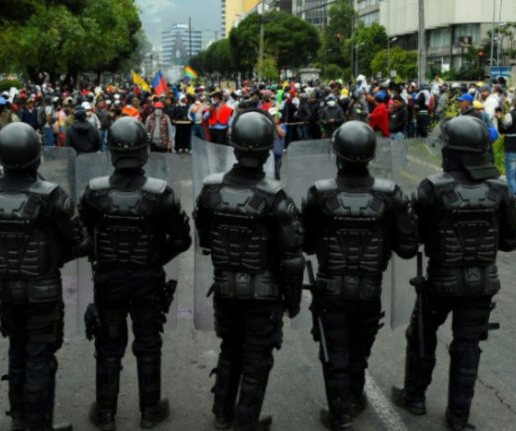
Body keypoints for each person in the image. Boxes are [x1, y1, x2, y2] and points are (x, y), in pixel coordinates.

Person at [392, 116, 516, 430]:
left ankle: (415, 397)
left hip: (440, 280)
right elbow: (509, 241)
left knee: (422, 335)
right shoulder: (500, 189)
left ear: (454, 152)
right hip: (482, 284)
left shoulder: (433, 188)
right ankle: (459, 417)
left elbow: (411, 242)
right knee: (467, 347)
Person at [0, 122, 89, 431]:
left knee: (17, 349)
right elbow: (79, 242)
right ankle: (38, 424)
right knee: (39, 355)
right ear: (37, 156)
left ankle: (19, 419)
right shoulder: (52, 196)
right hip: (44, 287)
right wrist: (53, 258)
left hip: (6, 287)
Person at [300, 121, 418, 430]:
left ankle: (340, 413)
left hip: (330, 288)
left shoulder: (319, 194)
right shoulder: (391, 195)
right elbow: (408, 248)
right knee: (358, 349)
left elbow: (306, 243)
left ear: (337, 154)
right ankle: (353, 396)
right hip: (369, 288)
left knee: (334, 350)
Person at [194, 110, 305, 431]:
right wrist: (293, 301)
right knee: (257, 358)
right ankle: (245, 422)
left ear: (234, 145)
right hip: (264, 293)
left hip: (225, 286)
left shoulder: (211, 190)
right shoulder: (276, 197)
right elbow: (292, 257)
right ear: (268, 147)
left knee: (230, 348)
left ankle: (222, 414)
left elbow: (204, 235)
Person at [79, 117, 192, 431]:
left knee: (108, 345)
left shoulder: (94, 193)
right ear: (145, 151)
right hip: (146, 280)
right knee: (148, 343)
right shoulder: (161, 194)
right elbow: (183, 239)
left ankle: (105, 413)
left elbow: (80, 237)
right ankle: (150, 411)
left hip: (108, 280)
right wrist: (154, 259)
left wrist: (100, 257)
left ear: (111, 151)